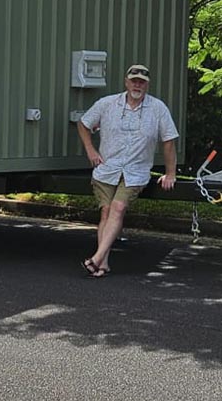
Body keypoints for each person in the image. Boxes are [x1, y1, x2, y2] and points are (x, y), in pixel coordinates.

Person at [76, 63, 177, 278]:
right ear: (126, 82)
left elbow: (169, 141)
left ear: (147, 85)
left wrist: (171, 173)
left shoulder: (158, 109)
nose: (137, 85)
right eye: (134, 80)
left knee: (118, 207)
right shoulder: (107, 104)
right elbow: (83, 124)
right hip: (107, 169)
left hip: (135, 171)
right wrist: (91, 150)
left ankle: (96, 258)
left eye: (142, 82)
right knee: (106, 212)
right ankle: (103, 264)